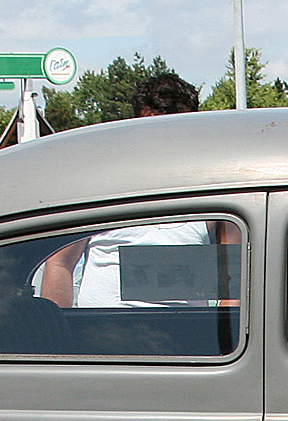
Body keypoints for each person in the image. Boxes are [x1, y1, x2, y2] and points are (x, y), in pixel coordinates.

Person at [40, 73, 231, 307]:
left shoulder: (213, 193)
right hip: (104, 338)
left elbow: (234, 285)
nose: (163, 144)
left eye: (175, 133)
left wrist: (223, 341)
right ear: (135, 126)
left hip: (185, 340)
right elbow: (59, 265)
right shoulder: (95, 187)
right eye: (153, 132)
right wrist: (57, 336)